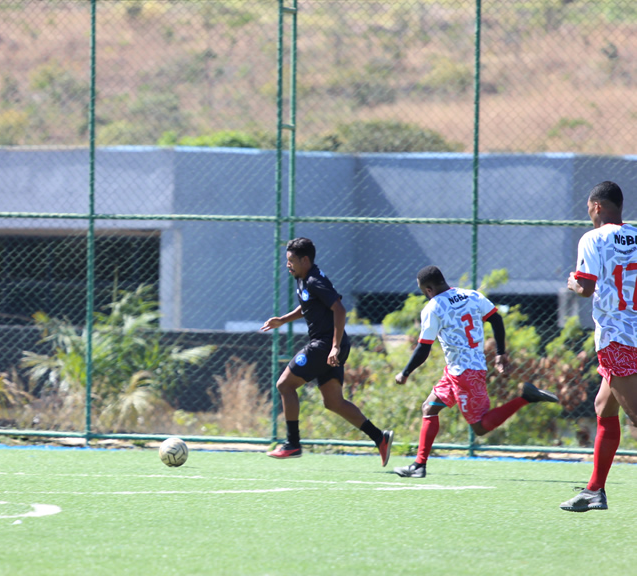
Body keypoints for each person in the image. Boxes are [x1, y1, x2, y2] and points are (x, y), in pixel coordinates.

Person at [393, 265, 559, 479]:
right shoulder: (471, 295)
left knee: (480, 427)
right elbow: (496, 319)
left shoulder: (433, 307)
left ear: (428, 289)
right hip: (457, 370)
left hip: (465, 374)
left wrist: (405, 372)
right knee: (429, 408)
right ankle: (419, 465)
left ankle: (526, 397)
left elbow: (424, 347)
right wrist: (500, 353)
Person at [261, 237, 394, 465]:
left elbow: (339, 309)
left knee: (284, 385)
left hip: (325, 345)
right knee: (333, 402)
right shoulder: (303, 278)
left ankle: (292, 444)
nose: (288, 264)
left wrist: (334, 346)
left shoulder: (314, 280)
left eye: (291, 260)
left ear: (305, 260)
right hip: (331, 345)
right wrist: (283, 320)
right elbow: (308, 305)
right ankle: (379, 437)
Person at [561, 180, 637, 512]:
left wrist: (573, 284)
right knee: (604, 406)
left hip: (618, 337)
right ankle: (594, 490)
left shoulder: (593, 238)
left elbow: (587, 287)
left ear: (596, 207)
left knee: (635, 416)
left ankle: (595, 491)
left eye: (589, 211)